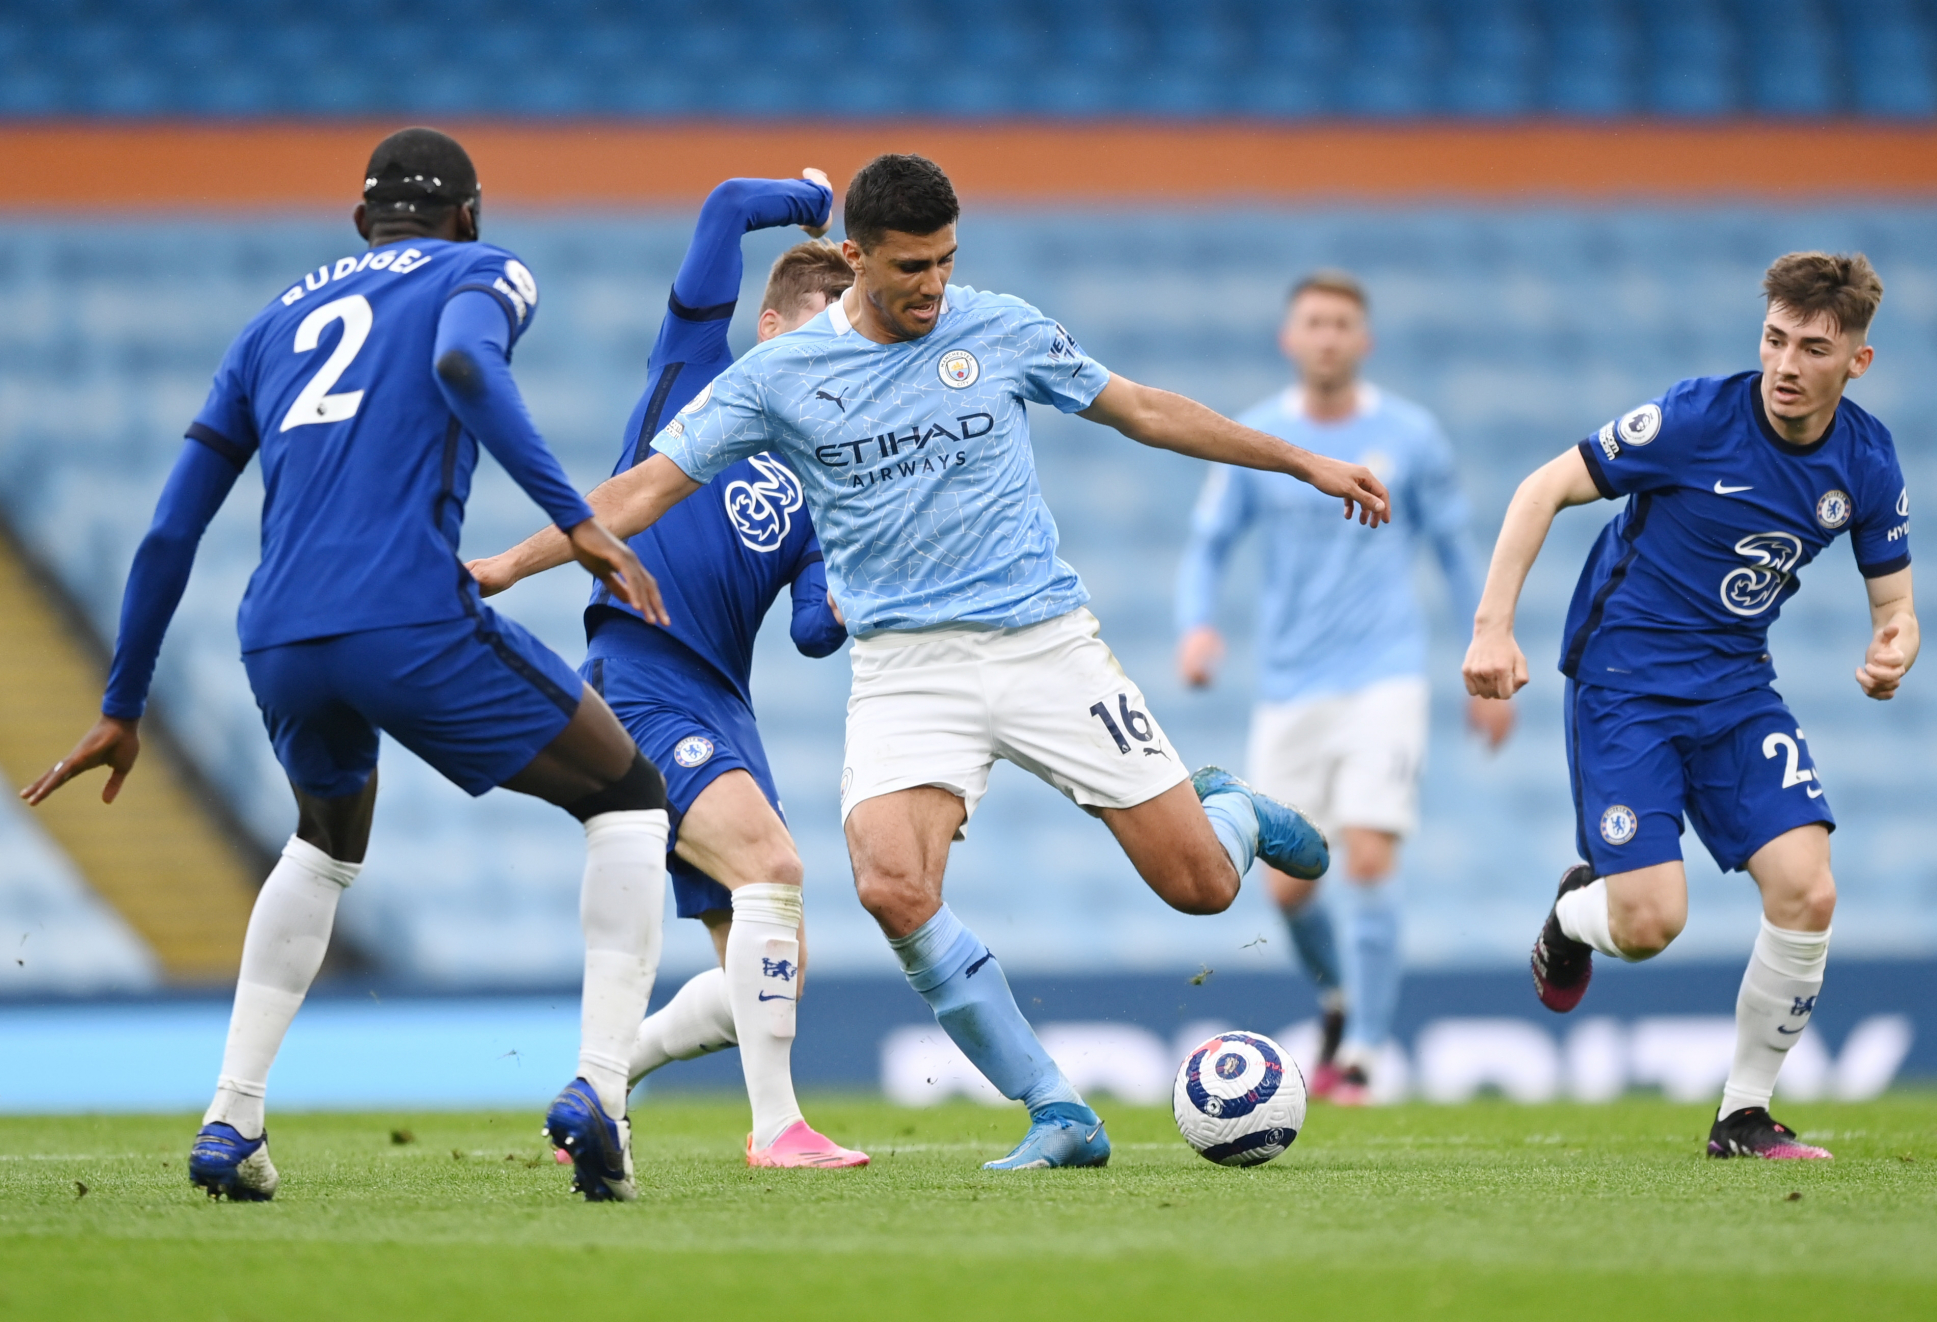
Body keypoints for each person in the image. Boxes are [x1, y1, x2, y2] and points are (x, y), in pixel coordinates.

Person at [471, 152, 1392, 1170]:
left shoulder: (996, 327)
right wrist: (513, 564)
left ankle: (1231, 811)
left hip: (1042, 641)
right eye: (911, 266)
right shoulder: (779, 376)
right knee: (890, 884)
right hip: (907, 668)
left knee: (1202, 887)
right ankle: (1056, 1110)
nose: (932, 285)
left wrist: (1299, 458)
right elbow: (640, 491)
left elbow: (1142, 408)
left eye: (946, 261)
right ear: (856, 257)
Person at [19, 128, 673, 1205]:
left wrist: (122, 702)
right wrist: (580, 523)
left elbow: (169, 531)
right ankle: (600, 1090)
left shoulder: (269, 323)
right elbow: (464, 360)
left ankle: (232, 1118)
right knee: (631, 796)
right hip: (405, 614)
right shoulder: (482, 268)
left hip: (278, 634)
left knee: (323, 842)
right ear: (467, 213)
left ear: (362, 219)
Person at [1462, 252, 1917, 1159]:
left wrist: (1894, 645)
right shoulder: (1696, 417)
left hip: (1738, 686)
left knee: (1808, 886)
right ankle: (1569, 916)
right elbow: (1542, 486)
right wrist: (1492, 627)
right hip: (1625, 682)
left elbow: (1896, 606)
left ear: (1856, 362)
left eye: (1813, 348)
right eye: (1775, 340)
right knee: (1649, 923)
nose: (1786, 365)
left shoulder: (1866, 460)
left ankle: (1742, 1114)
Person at [569, 170, 866, 1168]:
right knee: (774, 870)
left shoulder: (823, 479)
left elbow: (814, 632)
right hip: (640, 670)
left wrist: (863, 588)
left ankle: (597, 1091)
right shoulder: (692, 371)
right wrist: (810, 201)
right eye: (828, 323)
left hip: (721, 705)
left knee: (771, 963)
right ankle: (775, 1128)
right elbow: (725, 208)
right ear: (771, 324)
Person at [1176, 269, 1512, 1105]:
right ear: (1290, 338)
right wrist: (1198, 624)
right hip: (1290, 686)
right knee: (1288, 883)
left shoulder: (1411, 436)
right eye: (1313, 323)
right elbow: (1208, 543)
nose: (1326, 336)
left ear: (1363, 340)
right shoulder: (1257, 436)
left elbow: (1456, 550)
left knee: (1367, 851)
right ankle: (1337, 998)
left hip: (1384, 678)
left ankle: (1361, 1050)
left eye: (1341, 324)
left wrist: (1489, 657)